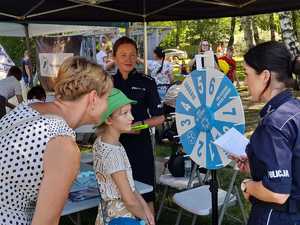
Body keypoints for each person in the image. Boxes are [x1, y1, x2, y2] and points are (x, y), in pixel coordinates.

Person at [0, 56, 112, 225]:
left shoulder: (30, 106)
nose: (108, 106)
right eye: (107, 98)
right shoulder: (63, 144)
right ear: (93, 98)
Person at [232, 41, 300, 225]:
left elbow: (277, 193)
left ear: (265, 76)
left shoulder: (273, 124)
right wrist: (257, 165)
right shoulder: (295, 109)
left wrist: (247, 186)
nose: (245, 81)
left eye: (247, 74)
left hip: (277, 217)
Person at [113, 36, 165, 213]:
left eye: (132, 55)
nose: (128, 59)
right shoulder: (107, 84)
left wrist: (140, 125)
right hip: (114, 146)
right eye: (123, 55)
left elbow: (160, 118)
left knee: (145, 193)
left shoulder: (147, 82)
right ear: (114, 58)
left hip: (140, 146)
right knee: (117, 193)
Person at [93, 88, 155, 225]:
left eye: (130, 111)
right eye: (124, 113)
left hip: (110, 212)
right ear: (109, 119)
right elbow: (129, 200)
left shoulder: (104, 141)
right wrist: (145, 217)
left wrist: (145, 207)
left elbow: (130, 186)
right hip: (121, 216)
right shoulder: (112, 153)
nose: (132, 118)